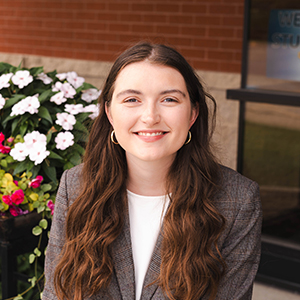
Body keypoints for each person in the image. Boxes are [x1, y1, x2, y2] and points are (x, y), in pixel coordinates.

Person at [42, 42, 262, 300]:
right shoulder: (76, 186)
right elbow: (56, 294)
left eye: (169, 99)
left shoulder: (237, 200)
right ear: (110, 112)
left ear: (192, 113)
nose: (150, 116)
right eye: (132, 99)